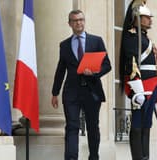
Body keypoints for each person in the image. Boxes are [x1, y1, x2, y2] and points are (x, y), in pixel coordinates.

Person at [51, 9, 111, 160]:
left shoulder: (96, 41)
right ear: (70, 23)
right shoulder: (64, 45)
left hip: (92, 91)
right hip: (71, 91)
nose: (79, 23)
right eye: (75, 20)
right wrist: (54, 93)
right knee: (72, 126)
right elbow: (60, 69)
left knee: (92, 126)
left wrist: (95, 73)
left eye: (81, 20)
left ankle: (94, 157)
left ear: (84, 21)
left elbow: (107, 65)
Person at [119, 1, 157, 160]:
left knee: (146, 124)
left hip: (152, 86)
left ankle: (145, 156)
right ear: (137, 18)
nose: (150, 20)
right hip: (142, 87)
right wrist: (137, 90)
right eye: (146, 17)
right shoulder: (131, 36)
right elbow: (131, 63)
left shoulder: (144, 38)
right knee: (137, 124)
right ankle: (138, 157)